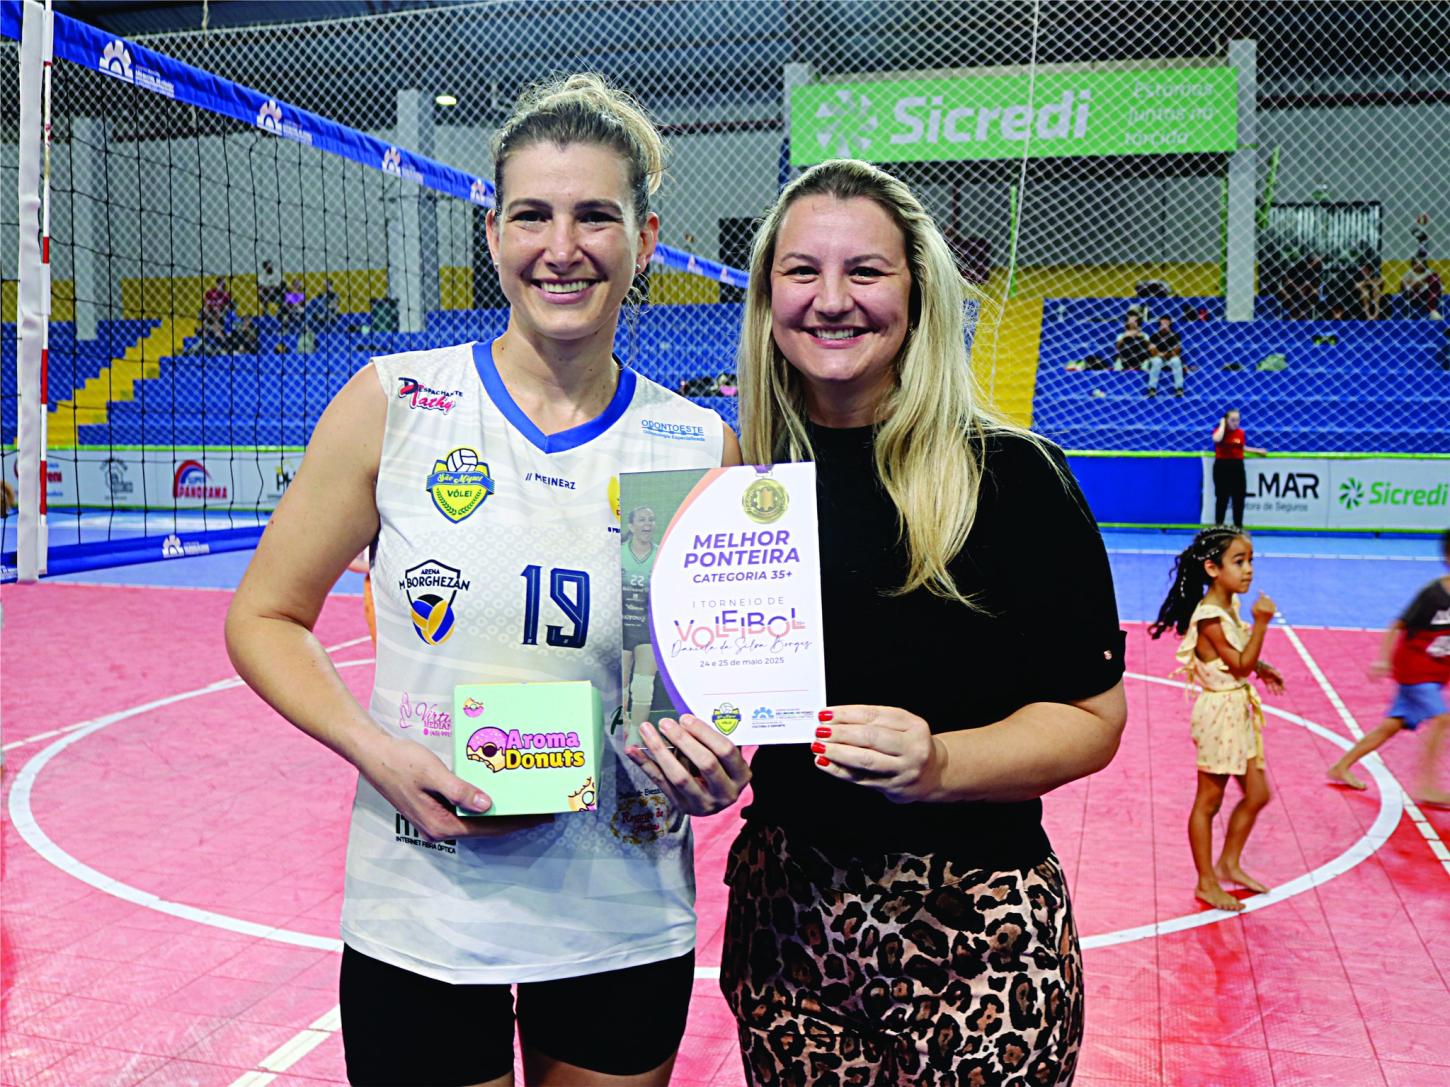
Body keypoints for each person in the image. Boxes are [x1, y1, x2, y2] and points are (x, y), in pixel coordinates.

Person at [225, 73, 743, 1087]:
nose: (562, 246)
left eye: (596, 215)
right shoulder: (396, 402)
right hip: (421, 905)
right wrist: (377, 752)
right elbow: (265, 616)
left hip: (617, 910)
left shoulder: (692, 443)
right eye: (532, 215)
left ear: (644, 237)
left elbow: (684, 698)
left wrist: (718, 762)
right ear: (494, 233)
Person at [628, 159, 1127, 1085]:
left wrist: (942, 764)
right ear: (766, 295)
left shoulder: (1017, 478)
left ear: (917, 290)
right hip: (788, 926)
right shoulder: (731, 488)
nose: (831, 300)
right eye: (802, 270)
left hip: (978, 929)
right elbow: (685, 706)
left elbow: (1094, 719)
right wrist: (696, 771)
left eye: (865, 270)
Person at [1149, 527, 1285, 913]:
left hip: (1237, 711)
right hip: (1220, 716)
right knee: (1208, 802)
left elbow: (1236, 659)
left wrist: (1261, 666)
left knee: (1257, 794)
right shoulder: (1210, 616)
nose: (1248, 570)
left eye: (1250, 561)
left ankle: (1228, 864)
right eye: (1239, 562)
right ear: (1212, 568)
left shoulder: (1228, 606)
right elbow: (1238, 666)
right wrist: (1262, 624)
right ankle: (1206, 882)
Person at [1327, 528, 1450, 804]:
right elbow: (1398, 625)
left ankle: (1341, 766)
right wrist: (1383, 658)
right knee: (1443, 719)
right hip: (1415, 670)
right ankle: (1427, 786)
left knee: (1391, 725)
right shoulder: (1433, 595)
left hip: (1435, 672)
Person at [620, 504, 659, 724]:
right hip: (621, 627)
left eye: (651, 520)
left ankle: (636, 735)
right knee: (620, 683)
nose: (647, 524)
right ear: (631, 526)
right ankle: (621, 728)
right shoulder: (617, 553)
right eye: (642, 520)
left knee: (644, 685)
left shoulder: (661, 554)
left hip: (648, 627)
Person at [1211, 408, 1267, 528]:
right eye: (1232, 420)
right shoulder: (1219, 431)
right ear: (1226, 420)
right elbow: (1216, 439)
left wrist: (1257, 451)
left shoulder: (1240, 433)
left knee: (1239, 498)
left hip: (1237, 466)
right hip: (1222, 466)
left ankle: (1238, 527)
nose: (1235, 423)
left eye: (1237, 420)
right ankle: (1218, 526)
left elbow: (1241, 447)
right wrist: (1222, 425)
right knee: (1222, 498)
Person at [1146, 313, 1185, 397]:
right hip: (1158, 358)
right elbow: (1152, 351)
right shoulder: (1154, 336)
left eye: (1166, 323)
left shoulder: (1175, 335)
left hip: (1170, 358)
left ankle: (1179, 388)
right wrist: (1162, 354)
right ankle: (1152, 389)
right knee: (1157, 361)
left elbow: (1177, 351)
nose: (1164, 325)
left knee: (1176, 361)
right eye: (1162, 323)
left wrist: (1163, 354)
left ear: (1170, 324)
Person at [1400, 254, 1443, 319]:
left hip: (1428, 294)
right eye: (1418, 263)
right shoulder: (1408, 274)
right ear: (1414, 264)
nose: (1421, 264)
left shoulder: (1430, 272)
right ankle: (1432, 311)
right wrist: (1424, 280)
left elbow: (1440, 283)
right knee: (1432, 278)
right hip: (1414, 295)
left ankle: (1432, 312)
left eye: (1422, 262)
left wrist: (1421, 282)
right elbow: (1406, 287)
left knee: (1434, 278)